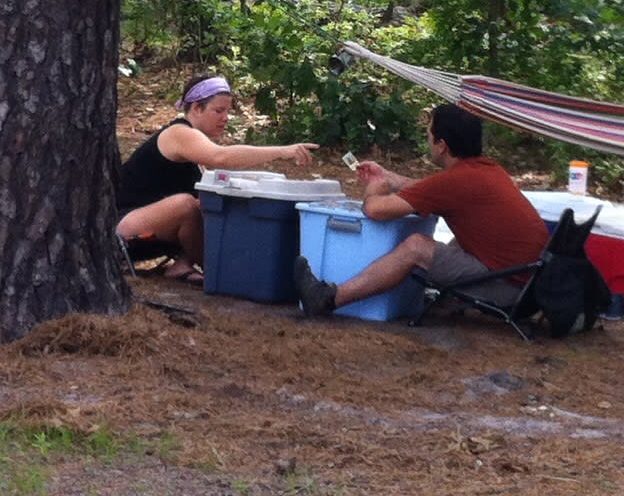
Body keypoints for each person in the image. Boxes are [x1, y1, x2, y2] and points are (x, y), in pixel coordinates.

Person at [293, 102, 548, 316]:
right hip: (533, 285)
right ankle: (449, 299)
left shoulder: (457, 181)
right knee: (456, 243)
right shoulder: (486, 170)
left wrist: (373, 189)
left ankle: (328, 299)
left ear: (442, 145)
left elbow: (374, 210)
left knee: (416, 247)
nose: (427, 139)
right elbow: (431, 190)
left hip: (511, 290)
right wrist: (389, 178)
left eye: (428, 134)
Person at [117, 75, 316, 282]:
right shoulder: (178, 133)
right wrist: (282, 151)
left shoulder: (194, 146)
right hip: (123, 227)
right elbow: (221, 157)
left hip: (152, 229)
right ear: (196, 108)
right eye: (219, 111)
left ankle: (187, 264)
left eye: (228, 111)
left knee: (216, 203)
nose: (225, 118)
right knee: (187, 205)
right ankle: (224, 275)